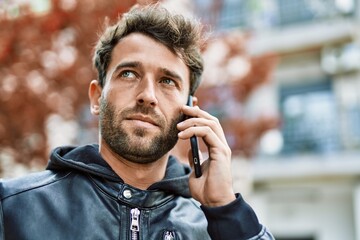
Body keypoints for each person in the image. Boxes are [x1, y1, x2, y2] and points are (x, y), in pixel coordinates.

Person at [0, 4, 274, 240]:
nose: (147, 96)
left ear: (189, 110)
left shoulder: (215, 228)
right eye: (129, 74)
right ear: (97, 98)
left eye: (167, 81)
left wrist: (225, 209)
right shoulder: (12, 207)